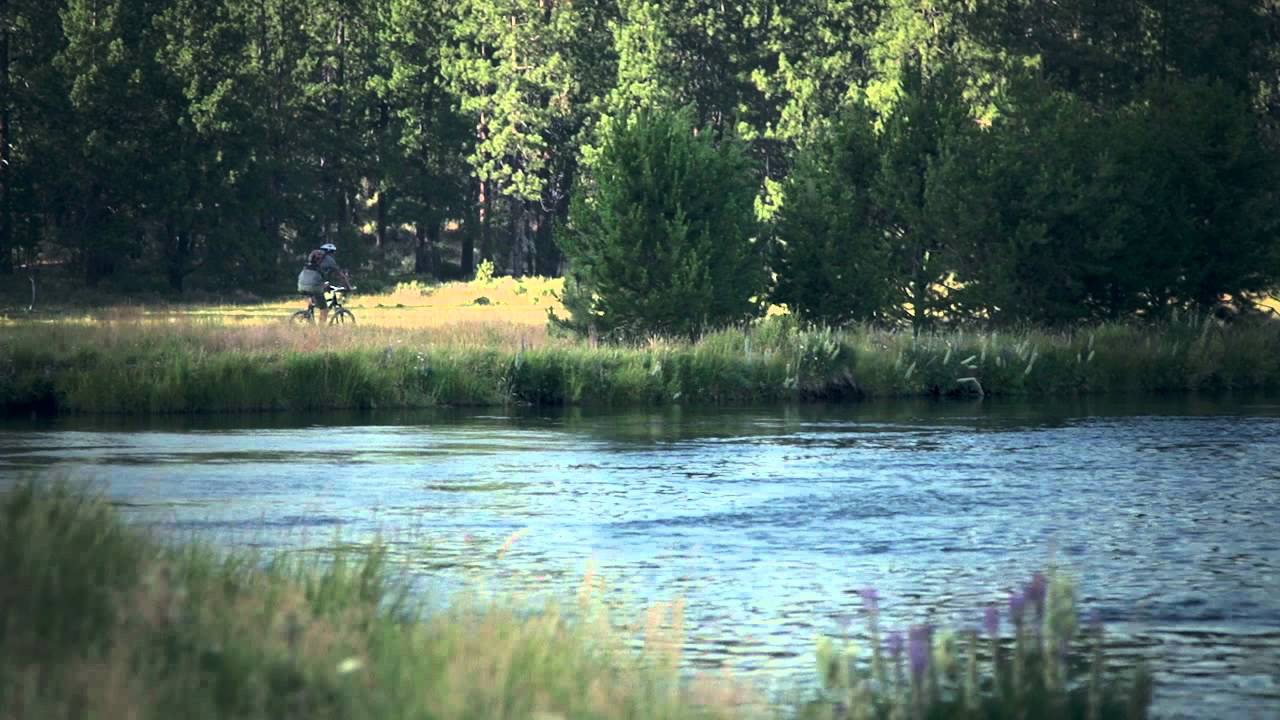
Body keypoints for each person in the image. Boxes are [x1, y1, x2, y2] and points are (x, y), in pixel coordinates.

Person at [296, 242, 352, 324]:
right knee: (324, 309)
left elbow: (316, 275)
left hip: (301, 283)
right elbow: (341, 276)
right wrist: (348, 287)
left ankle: (307, 314)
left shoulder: (312, 258)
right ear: (331, 252)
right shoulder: (330, 260)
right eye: (334, 252)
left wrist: (326, 285)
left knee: (314, 299)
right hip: (314, 285)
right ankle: (321, 330)